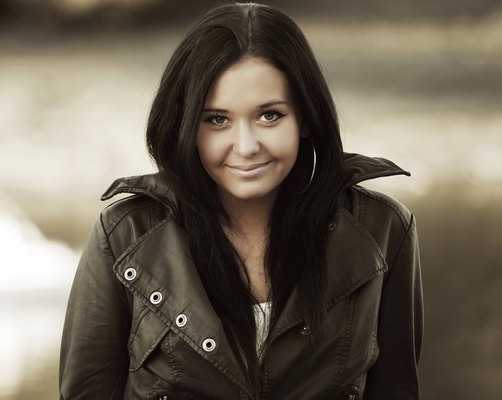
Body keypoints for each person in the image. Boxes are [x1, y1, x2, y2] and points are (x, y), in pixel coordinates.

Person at [59, 2, 423, 399]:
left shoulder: (382, 229)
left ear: (304, 117)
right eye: (217, 119)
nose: (246, 146)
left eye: (269, 115)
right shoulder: (125, 235)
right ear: (186, 127)